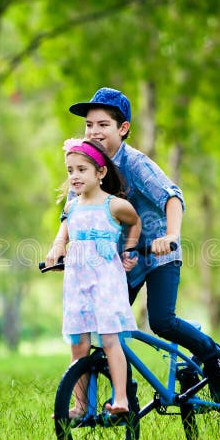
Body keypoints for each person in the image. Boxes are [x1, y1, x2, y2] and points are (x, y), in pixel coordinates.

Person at [46, 87, 220, 400]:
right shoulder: (86, 164)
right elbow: (71, 212)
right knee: (105, 325)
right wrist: (58, 247)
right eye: (89, 125)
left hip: (157, 253)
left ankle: (213, 354)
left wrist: (171, 236)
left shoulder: (135, 163)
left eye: (103, 125)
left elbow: (172, 197)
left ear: (123, 129)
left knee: (162, 321)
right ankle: (124, 396)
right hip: (120, 260)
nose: (93, 131)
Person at [45, 139, 142, 416]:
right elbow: (64, 231)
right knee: (79, 344)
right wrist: (57, 248)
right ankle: (81, 405)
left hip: (106, 282)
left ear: (100, 173)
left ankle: (121, 399)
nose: (74, 176)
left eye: (81, 170)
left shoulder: (113, 206)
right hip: (78, 282)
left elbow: (135, 221)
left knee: (110, 339)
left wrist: (129, 249)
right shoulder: (72, 207)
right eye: (70, 170)